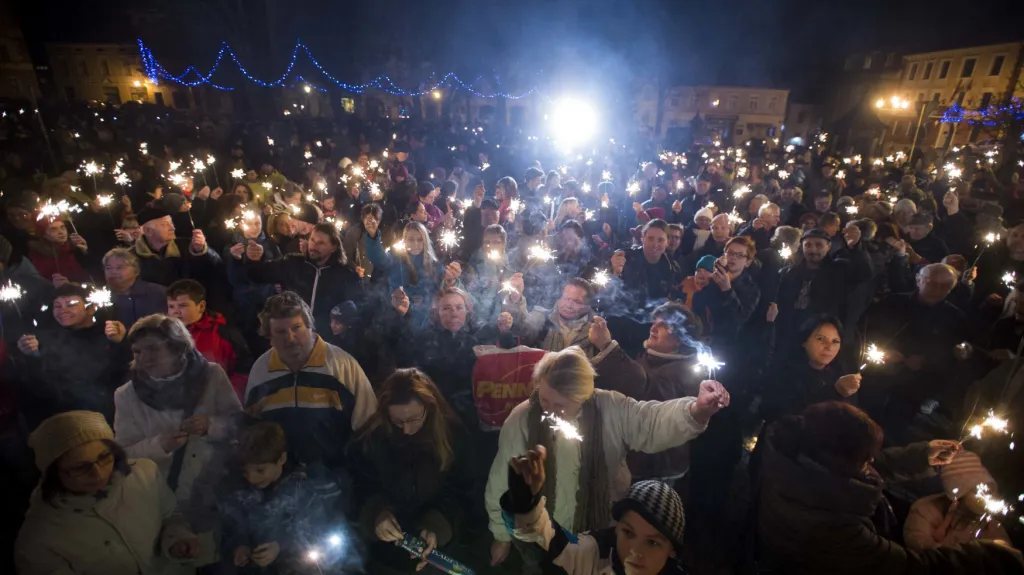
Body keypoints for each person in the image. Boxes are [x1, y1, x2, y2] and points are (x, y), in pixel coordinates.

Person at [485, 346, 729, 570]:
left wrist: (696, 411)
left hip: (603, 533)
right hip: (543, 531)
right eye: (544, 399)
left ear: (583, 396)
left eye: (559, 405)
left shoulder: (610, 407)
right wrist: (501, 535)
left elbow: (650, 422)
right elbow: (500, 482)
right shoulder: (522, 420)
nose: (547, 410)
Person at [757, 401, 1023, 574]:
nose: (872, 460)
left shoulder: (795, 457)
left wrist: (922, 455)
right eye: (865, 457)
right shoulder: (830, 526)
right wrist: (985, 555)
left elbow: (871, 466)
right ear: (843, 462)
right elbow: (905, 567)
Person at [15, 411, 202, 575]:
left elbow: (170, 515)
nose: (98, 473)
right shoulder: (38, 539)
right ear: (53, 474)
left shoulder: (145, 474)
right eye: (81, 467)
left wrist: (178, 539)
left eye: (104, 457)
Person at [112, 314, 242, 547]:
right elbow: (123, 454)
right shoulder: (126, 395)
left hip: (214, 494)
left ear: (177, 347)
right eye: (137, 351)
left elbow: (238, 426)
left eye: (152, 349)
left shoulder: (212, 375)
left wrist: (210, 426)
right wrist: (159, 445)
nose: (144, 359)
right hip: (162, 502)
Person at [500, 445, 689, 575]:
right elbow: (550, 541)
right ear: (617, 529)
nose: (635, 551)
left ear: (672, 549)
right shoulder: (594, 554)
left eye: (653, 543)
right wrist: (525, 504)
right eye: (628, 533)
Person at [351, 369, 471, 572]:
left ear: (430, 407)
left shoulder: (454, 436)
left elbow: (463, 490)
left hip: (437, 549)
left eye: (414, 419)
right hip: (384, 553)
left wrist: (437, 524)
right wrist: (377, 513)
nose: (406, 430)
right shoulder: (373, 438)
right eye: (397, 421)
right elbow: (361, 485)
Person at [245, 292, 376, 469]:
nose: (290, 338)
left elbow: (368, 426)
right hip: (279, 483)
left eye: (296, 328)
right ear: (269, 337)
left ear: (310, 327)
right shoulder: (261, 371)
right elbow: (252, 429)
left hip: (335, 479)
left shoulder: (342, 365)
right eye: (280, 332)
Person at [217, 421, 343, 574]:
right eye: (246, 471)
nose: (251, 478)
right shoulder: (240, 491)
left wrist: (281, 545)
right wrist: (240, 546)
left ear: (281, 459)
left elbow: (316, 532)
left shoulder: (303, 489)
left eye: (260, 470)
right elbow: (233, 526)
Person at [14, 283, 130, 428]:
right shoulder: (43, 338)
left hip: (103, 418)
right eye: (58, 306)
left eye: (71, 304)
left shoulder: (108, 334)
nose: (63, 310)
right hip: (59, 419)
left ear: (91, 308)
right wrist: (31, 356)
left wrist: (120, 344)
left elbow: (120, 373)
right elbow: (38, 386)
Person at [244, 222, 363, 332]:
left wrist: (344, 323)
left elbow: (358, 304)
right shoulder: (292, 263)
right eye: (312, 240)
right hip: (293, 335)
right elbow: (258, 275)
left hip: (325, 339)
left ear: (334, 247)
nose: (313, 246)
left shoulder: (345, 274)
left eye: (320, 243)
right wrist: (254, 259)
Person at [394, 287, 481, 424]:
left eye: (459, 308)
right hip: (435, 417)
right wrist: (401, 317)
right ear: (436, 313)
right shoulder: (425, 340)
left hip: (472, 419)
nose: (454, 314)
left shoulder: (478, 340)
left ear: (467, 311)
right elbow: (403, 361)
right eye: (446, 308)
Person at [775, 226, 872, 346]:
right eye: (808, 245)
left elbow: (865, 274)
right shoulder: (788, 272)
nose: (813, 249)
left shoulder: (840, 270)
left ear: (828, 246)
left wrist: (855, 248)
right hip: (790, 334)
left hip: (824, 336)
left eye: (819, 245)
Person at [760, 315, 861, 423]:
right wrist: (834, 391)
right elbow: (777, 414)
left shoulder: (839, 374)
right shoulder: (784, 372)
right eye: (821, 339)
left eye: (835, 341)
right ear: (804, 341)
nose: (829, 347)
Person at [165, 279, 253, 400]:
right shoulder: (164, 336)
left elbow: (243, 371)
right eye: (171, 306)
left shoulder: (225, 334)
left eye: (183, 305)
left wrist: (225, 396)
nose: (175, 311)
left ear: (201, 306)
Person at [503, 275, 598, 352]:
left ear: (588, 306)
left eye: (577, 302)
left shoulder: (598, 330)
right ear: (559, 298)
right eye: (566, 298)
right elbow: (523, 328)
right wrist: (515, 299)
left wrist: (605, 345)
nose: (569, 305)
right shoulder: (543, 318)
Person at [131, 206, 221, 287]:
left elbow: (216, 266)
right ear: (148, 231)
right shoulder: (131, 257)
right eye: (165, 224)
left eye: (171, 223)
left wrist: (202, 251)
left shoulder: (187, 246)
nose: (172, 228)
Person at [610, 219, 682, 309]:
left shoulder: (673, 268)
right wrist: (614, 274)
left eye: (660, 240)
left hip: (655, 319)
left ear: (667, 242)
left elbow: (675, 298)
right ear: (642, 239)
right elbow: (604, 296)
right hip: (624, 316)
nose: (655, 244)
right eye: (650, 238)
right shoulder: (624, 259)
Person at [104, 247, 167, 328]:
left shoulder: (157, 292)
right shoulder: (101, 297)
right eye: (108, 268)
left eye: (119, 267)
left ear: (136, 270)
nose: (113, 272)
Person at [27, 216, 92, 285]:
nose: (61, 232)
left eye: (62, 227)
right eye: (53, 229)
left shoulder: (72, 247)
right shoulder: (39, 256)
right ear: (44, 234)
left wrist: (84, 252)